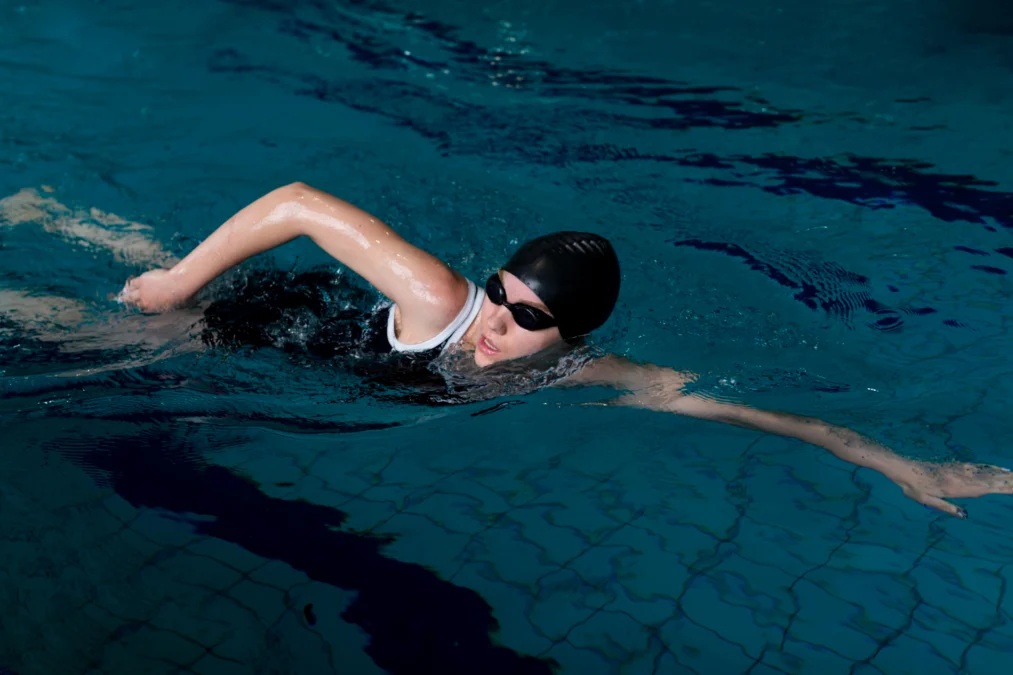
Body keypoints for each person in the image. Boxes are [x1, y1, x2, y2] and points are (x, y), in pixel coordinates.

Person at [6, 183, 1012, 518]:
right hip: (242, 327)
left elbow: (757, 415)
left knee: (142, 271)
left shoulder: (583, 372)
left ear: (572, 339)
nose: (496, 323)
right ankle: (94, 241)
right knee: (91, 319)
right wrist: (185, 289)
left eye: (527, 319)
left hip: (298, 343)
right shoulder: (442, 298)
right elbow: (297, 203)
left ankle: (71, 221)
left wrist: (902, 464)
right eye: (501, 294)